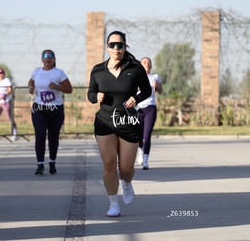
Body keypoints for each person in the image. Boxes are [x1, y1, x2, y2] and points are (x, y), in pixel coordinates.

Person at [87, 31, 152, 217]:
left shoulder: (136, 68)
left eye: (120, 45)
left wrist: (135, 98)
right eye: (113, 45)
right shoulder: (98, 70)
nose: (116, 48)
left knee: (125, 168)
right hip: (105, 121)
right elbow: (90, 94)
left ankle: (127, 183)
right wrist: (95, 97)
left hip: (128, 121)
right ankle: (113, 203)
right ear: (107, 47)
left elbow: (147, 91)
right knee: (108, 164)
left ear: (125, 47)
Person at [28, 49, 72, 175]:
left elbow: (69, 89)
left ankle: (52, 162)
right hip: (39, 108)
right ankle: (40, 164)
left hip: (55, 109)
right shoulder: (36, 71)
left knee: (53, 137)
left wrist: (57, 86)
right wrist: (31, 87)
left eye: (50, 57)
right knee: (40, 135)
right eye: (46, 57)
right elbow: (31, 82)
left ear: (54, 59)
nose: (48, 59)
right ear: (42, 59)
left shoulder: (59, 73)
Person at [137, 57, 163, 170]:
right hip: (139, 108)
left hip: (150, 108)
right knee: (138, 135)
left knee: (147, 135)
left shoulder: (155, 77)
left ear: (151, 65)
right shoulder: (136, 77)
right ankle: (140, 151)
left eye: (148, 62)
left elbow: (161, 91)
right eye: (144, 62)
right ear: (140, 65)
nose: (146, 64)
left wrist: (157, 86)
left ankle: (146, 159)